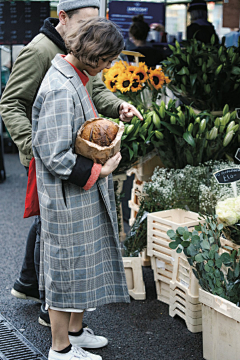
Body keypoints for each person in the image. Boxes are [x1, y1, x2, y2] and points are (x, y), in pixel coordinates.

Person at [0, 0, 142, 329]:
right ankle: (49, 309)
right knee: (56, 229)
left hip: (68, 152)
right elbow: (10, 102)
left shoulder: (80, 55)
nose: (90, 30)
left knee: (56, 226)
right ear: (63, 19)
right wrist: (31, 147)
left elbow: (95, 88)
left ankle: (29, 286)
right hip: (48, 152)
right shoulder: (41, 52)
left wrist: (119, 105)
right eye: (84, 23)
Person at [32, 17, 130, 360]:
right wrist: (102, 168)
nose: (110, 66)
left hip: (75, 194)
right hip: (66, 197)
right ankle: (60, 350)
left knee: (80, 264)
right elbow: (54, 154)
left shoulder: (74, 75)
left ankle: (74, 333)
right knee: (66, 269)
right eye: (108, 60)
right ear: (94, 56)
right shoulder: (61, 86)